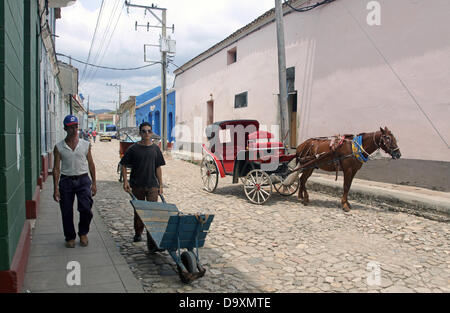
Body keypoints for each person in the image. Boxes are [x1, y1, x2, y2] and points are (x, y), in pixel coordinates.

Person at [53, 115, 97, 248]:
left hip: (83, 180)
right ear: (65, 128)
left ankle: (83, 233)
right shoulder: (59, 147)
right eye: (71, 127)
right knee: (66, 210)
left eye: (76, 127)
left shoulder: (85, 145)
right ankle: (70, 237)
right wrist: (55, 188)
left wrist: (94, 183)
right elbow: (56, 168)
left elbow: (91, 164)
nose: (74, 130)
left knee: (86, 209)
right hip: (66, 181)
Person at [120, 122, 165, 242]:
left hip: (152, 186)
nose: (146, 133)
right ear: (140, 133)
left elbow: (158, 167)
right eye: (144, 131)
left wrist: (160, 185)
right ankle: (138, 233)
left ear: (151, 133)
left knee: (152, 212)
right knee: (139, 212)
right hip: (137, 185)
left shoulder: (155, 149)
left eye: (149, 131)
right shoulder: (133, 149)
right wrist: (126, 182)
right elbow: (123, 164)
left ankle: (152, 237)